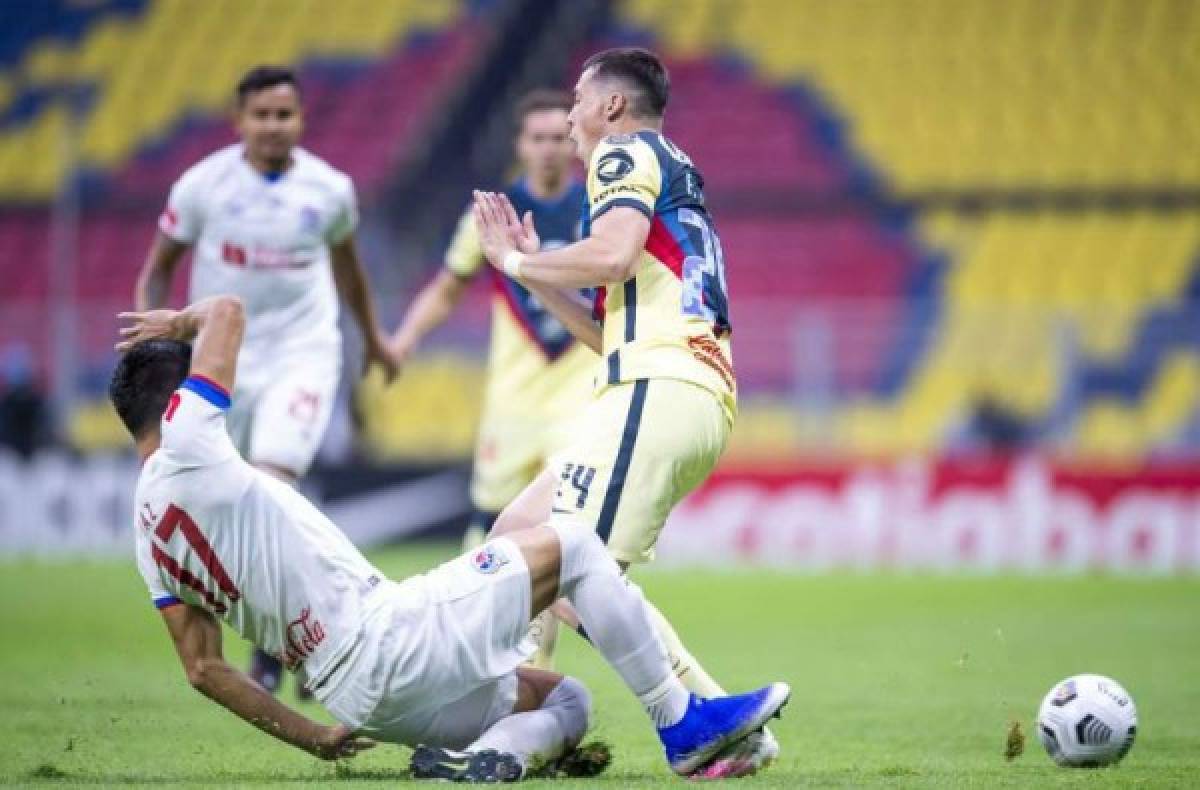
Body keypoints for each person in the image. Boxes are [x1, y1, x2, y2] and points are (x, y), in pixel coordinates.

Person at [108, 295, 789, 781]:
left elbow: (203, 669)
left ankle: (497, 759)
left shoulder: (148, 539)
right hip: (386, 637)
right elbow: (227, 310)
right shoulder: (190, 441)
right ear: (174, 401)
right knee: (575, 545)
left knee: (564, 700)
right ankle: (682, 725)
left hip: (354, 697)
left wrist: (314, 736)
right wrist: (184, 323)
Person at [471, 47, 778, 779]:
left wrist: (511, 263)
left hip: (659, 385)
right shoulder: (666, 170)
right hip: (667, 386)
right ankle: (719, 723)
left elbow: (610, 256)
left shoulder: (621, 154)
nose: (571, 116)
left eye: (578, 99)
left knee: (571, 569)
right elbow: (603, 329)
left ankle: (659, 727)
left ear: (612, 106)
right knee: (519, 535)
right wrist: (538, 274)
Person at [133, 65, 400, 697]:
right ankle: (293, 633)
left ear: (301, 121)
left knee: (275, 484)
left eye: (285, 116)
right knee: (235, 493)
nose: (274, 126)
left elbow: (350, 273)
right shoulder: (203, 185)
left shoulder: (329, 190)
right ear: (241, 120)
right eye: (263, 116)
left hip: (304, 354)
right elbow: (157, 270)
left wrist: (375, 338)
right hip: (220, 358)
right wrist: (154, 346)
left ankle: (286, 645)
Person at [389, 89, 594, 669]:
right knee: (488, 538)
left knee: (560, 539)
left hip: (579, 397)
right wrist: (403, 341)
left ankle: (534, 677)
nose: (550, 149)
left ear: (573, 143)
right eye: (539, 138)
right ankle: (462, 664)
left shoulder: (598, 210)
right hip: (513, 401)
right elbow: (447, 286)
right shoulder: (490, 220)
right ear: (520, 144)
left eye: (560, 137)